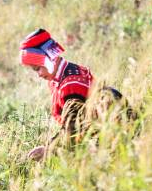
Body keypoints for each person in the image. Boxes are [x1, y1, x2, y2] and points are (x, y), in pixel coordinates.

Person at [19, 29, 97, 160]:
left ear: (50, 58)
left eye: (38, 68)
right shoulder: (59, 76)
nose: (39, 74)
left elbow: (73, 131)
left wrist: (48, 149)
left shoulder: (70, 84)